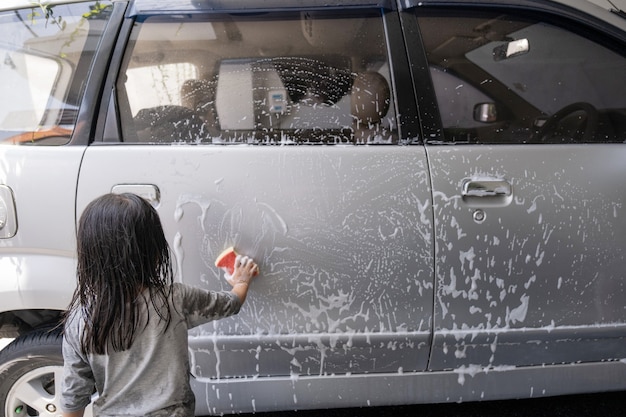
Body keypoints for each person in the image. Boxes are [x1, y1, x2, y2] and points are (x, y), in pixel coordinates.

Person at [60, 193, 259, 417]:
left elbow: (73, 399)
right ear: (155, 253)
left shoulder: (81, 321)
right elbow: (230, 304)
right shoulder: (176, 300)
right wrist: (242, 280)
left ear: (89, 256)